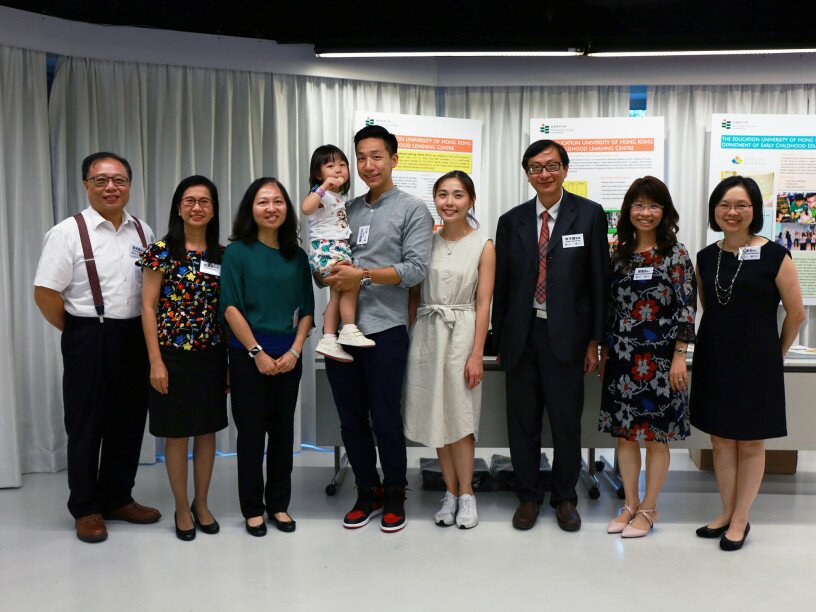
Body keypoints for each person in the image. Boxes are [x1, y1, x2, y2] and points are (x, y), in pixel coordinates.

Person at [33, 151, 161, 543]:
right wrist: (78, 331)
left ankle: (118, 497)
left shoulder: (145, 232)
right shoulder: (67, 232)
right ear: (87, 185)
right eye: (101, 180)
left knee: (128, 420)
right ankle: (86, 507)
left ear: (129, 185)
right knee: (87, 424)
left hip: (134, 337)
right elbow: (45, 294)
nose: (111, 187)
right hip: (89, 334)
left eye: (119, 180)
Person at [493, 139, 610, 532]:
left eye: (552, 165)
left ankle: (564, 497)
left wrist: (595, 340)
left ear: (565, 169)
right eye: (535, 167)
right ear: (527, 173)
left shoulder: (590, 215)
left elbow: (599, 282)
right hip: (521, 336)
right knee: (522, 422)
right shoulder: (513, 221)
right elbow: (503, 287)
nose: (544, 173)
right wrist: (498, 340)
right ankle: (527, 497)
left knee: (565, 423)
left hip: (568, 338)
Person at [322, 125, 433, 533]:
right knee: (351, 419)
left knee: (385, 417)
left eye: (377, 156)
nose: (369, 165)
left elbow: (416, 270)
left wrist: (363, 276)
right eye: (362, 158)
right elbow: (328, 256)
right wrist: (326, 272)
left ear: (393, 160)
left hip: (385, 328)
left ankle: (394, 492)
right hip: (340, 333)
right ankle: (365, 491)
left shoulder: (412, 209)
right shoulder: (344, 209)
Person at [690, 176, 804, 551]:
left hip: (758, 361)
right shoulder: (706, 257)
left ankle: (741, 519)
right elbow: (709, 307)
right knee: (721, 439)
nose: (732, 212)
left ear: (755, 210)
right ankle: (726, 511)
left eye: (741, 205)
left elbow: (797, 313)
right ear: (714, 210)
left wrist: (777, 354)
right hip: (716, 356)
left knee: (751, 441)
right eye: (724, 205)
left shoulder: (775, 254)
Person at [598, 176, 696, 538]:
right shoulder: (618, 254)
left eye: (653, 205)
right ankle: (630, 504)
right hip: (623, 356)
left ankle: (650, 508)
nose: (645, 212)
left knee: (656, 436)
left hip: (660, 359)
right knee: (625, 435)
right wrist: (606, 352)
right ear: (628, 211)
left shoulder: (676, 254)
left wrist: (680, 357)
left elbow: (687, 309)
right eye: (638, 205)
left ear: (664, 211)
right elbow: (610, 310)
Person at [220, 177, 315, 537]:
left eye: (277, 202)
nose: (271, 208)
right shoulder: (237, 253)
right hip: (248, 356)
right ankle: (253, 509)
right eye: (263, 202)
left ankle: (278, 505)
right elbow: (230, 307)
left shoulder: (297, 256)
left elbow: (306, 309)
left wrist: (294, 350)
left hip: (289, 356)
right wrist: (256, 351)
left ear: (287, 209)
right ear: (251, 209)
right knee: (251, 435)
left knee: (281, 433)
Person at [403, 170, 496, 529]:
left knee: (460, 418)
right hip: (427, 332)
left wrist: (477, 354)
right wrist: (411, 337)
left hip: (462, 332)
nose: (449, 202)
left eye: (458, 195)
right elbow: (413, 295)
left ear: (471, 200)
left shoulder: (484, 243)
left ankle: (468, 494)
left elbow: (484, 303)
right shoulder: (425, 241)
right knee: (435, 415)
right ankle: (450, 493)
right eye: (442, 194)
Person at [138, 175, 228, 541]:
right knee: (177, 436)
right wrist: (155, 362)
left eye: (204, 201)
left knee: (206, 433)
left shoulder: (222, 255)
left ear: (213, 209)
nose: (196, 207)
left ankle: (201, 503)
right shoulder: (160, 251)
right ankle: (180, 506)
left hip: (211, 355)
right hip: (171, 357)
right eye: (189, 201)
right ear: (178, 207)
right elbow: (147, 306)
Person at [301, 144, 374, 362]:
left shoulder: (338, 197)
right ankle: (349, 329)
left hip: (337, 248)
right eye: (330, 165)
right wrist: (322, 187)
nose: (338, 169)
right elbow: (306, 208)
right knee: (351, 284)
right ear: (318, 172)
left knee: (338, 292)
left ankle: (329, 338)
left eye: (343, 164)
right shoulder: (321, 194)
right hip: (327, 248)